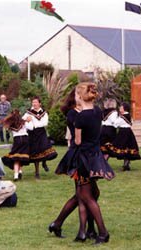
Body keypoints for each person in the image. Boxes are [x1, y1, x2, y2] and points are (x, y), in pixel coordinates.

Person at [57, 82, 114, 245]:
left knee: (87, 197)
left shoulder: (81, 116)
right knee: (89, 194)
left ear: (81, 96)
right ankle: (86, 231)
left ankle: (102, 233)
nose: (75, 97)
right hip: (95, 156)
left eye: (76, 94)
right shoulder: (97, 111)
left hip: (83, 158)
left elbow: (78, 140)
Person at [50, 89, 97, 239]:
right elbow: (79, 137)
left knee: (87, 194)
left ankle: (77, 228)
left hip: (88, 155)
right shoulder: (73, 113)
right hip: (78, 155)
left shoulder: (86, 112)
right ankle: (84, 230)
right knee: (84, 194)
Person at [22, 97, 57, 179]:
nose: (34, 104)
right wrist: (27, 120)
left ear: (39, 103)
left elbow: (44, 123)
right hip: (32, 134)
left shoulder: (44, 113)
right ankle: (37, 172)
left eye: (36, 102)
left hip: (41, 133)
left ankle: (44, 162)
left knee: (44, 148)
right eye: (33, 102)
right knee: (35, 152)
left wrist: (34, 123)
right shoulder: (28, 112)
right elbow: (23, 120)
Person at [107, 102, 141, 171]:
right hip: (129, 132)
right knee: (128, 147)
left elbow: (115, 124)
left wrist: (110, 119)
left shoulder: (123, 117)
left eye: (121, 107)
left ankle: (125, 165)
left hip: (123, 132)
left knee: (120, 146)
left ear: (124, 108)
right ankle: (126, 164)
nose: (119, 108)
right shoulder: (128, 115)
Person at [1, 109, 34, 181]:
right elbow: (31, 128)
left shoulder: (10, 124)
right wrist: (30, 121)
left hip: (17, 140)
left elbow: (7, 130)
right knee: (20, 157)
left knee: (16, 158)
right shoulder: (24, 122)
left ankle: (16, 175)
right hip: (25, 140)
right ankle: (19, 172)